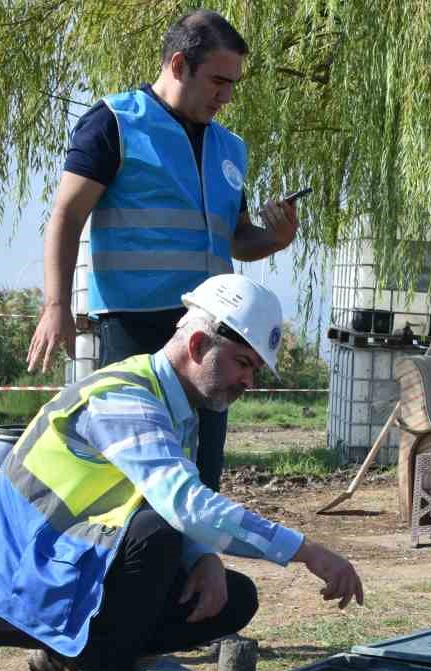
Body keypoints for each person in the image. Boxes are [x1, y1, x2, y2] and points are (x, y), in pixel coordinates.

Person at [0, 275, 363, 671]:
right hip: (16, 585)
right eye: (242, 363)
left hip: (60, 570)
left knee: (232, 598)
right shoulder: (125, 398)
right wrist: (308, 551)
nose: (248, 381)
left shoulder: (175, 409)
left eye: (255, 370)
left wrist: (203, 557)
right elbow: (185, 507)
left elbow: (167, 501)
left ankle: (67, 655)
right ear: (196, 346)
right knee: (158, 534)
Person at [25, 8, 300, 493]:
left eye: (233, 82)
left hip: (212, 332)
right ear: (178, 65)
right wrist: (56, 305)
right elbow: (66, 217)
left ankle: (197, 567)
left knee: (199, 475)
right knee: (132, 477)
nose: (227, 95)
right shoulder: (114, 123)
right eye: (218, 80)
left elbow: (236, 239)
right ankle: (132, 565)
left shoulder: (231, 148)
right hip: (135, 326)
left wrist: (276, 237)